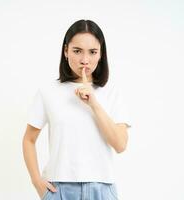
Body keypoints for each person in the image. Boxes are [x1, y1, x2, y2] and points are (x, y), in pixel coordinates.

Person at [22, 19, 132, 200]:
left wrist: (94, 104)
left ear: (100, 54)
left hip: (102, 190)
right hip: (59, 190)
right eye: (77, 51)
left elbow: (120, 144)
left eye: (92, 52)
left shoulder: (111, 92)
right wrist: (36, 181)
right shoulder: (48, 91)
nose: (85, 60)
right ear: (66, 51)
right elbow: (29, 139)